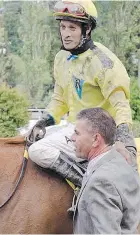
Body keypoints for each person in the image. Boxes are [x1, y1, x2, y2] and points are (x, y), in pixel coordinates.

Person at [27, 0, 137, 188]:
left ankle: (87, 183)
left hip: (98, 134)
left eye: (72, 28)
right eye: (63, 27)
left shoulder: (104, 62)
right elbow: (59, 99)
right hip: (74, 129)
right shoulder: (61, 58)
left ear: (87, 30)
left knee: (38, 150)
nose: (66, 34)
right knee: (26, 144)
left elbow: (121, 104)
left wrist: (124, 136)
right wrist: (43, 122)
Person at [71, 107, 140, 233]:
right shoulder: (122, 161)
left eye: (77, 133)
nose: (72, 137)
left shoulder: (100, 182)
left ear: (96, 139)